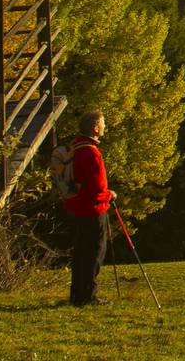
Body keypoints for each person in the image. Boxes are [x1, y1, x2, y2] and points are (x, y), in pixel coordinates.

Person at [62, 111, 116, 306]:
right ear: (95, 128)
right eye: (103, 124)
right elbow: (96, 188)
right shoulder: (91, 152)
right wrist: (109, 195)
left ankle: (77, 294)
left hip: (76, 207)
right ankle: (87, 296)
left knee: (80, 252)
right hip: (92, 209)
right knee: (94, 253)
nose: (104, 127)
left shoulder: (74, 147)